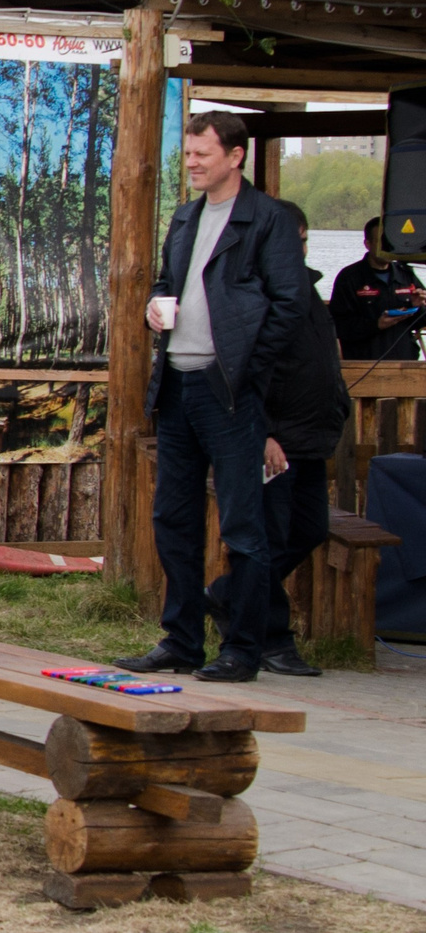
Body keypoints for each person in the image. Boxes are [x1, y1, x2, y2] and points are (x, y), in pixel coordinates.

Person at [116, 110, 306, 683]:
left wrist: (245, 371)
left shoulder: (266, 219)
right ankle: (181, 640)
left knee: (243, 527)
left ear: (235, 155)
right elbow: (167, 282)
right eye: (189, 154)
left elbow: (288, 305)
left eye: (202, 154)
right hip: (176, 383)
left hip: (230, 393)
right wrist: (156, 305)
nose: (192, 163)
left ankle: (243, 649)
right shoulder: (184, 216)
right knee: (172, 518)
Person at [204, 201, 343, 679]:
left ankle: (228, 594)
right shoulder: (252, 291)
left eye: (303, 241)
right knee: (267, 537)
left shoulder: (307, 288)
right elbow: (239, 370)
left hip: (311, 434)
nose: (299, 249)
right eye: (292, 241)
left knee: (309, 529)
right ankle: (273, 639)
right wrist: (261, 432)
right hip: (270, 438)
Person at [330, 216, 425, 361]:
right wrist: (376, 324)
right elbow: (338, 325)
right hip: (364, 364)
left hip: (404, 363)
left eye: (389, 241)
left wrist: (417, 306)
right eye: (381, 242)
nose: (386, 247)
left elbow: (422, 321)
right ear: (367, 244)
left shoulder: (405, 274)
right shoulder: (349, 277)